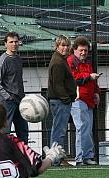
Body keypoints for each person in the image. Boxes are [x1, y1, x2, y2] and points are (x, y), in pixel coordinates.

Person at [67, 36, 100, 166]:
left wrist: (97, 92)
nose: (83, 53)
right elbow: (74, 78)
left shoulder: (87, 63)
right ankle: (80, 158)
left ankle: (87, 156)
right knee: (82, 128)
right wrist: (89, 77)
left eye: (85, 50)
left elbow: (93, 81)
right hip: (77, 99)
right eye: (81, 50)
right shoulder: (70, 61)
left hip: (89, 100)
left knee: (87, 128)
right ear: (74, 49)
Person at [0, 31, 28, 144]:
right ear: (5, 44)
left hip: (19, 100)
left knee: (23, 131)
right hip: (7, 102)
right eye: (11, 42)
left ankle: (24, 157)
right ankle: (3, 158)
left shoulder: (18, 58)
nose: (14, 44)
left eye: (16, 41)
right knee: (4, 131)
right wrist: (8, 97)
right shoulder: (3, 60)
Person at [47, 35, 76, 166]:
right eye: (63, 45)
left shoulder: (61, 59)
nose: (65, 48)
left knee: (59, 129)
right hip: (60, 101)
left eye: (67, 45)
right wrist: (66, 99)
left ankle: (58, 159)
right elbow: (58, 84)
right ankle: (55, 159)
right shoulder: (58, 62)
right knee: (59, 130)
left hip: (61, 100)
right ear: (57, 46)